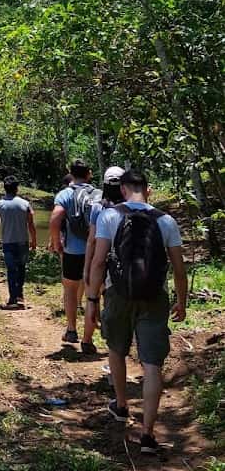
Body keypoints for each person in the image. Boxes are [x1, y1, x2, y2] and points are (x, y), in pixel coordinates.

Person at [85, 168, 187, 454]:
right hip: (155, 297)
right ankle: (148, 434)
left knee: (116, 350)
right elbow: (179, 269)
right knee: (152, 364)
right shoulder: (166, 220)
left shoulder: (110, 216)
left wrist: (92, 300)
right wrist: (182, 301)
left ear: (123, 190)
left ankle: (121, 405)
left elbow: (98, 262)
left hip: (118, 294)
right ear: (149, 190)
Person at [49, 160, 97, 349]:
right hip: (94, 252)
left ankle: (71, 330)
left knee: (69, 289)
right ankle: (88, 339)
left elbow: (55, 218)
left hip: (72, 250)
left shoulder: (65, 194)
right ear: (89, 174)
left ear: (71, 173)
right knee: (92, 295)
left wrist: (56, 242)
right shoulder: (98, 194)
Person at [80, 165, 125, 355]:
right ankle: (113, 346)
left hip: (100, 259)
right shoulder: (129, 207)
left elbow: (91, 240)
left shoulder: (98, 207)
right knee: (111, 302)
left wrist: (87, 267)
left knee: (93, 300)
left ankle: (87, 339)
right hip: (121, 263)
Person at [0, 176, 38, 308]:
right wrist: (34, 241)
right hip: (23, 242)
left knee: (11, 270)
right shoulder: (25, 204)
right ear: (17, 188)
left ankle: (13, 298)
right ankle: (20, 295)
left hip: (8, 242)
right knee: (21, 268)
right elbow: (31, 224)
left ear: (5, 189)